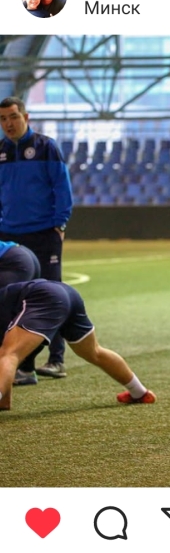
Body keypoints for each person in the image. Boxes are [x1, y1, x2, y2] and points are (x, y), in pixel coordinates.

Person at [0, 278, 156, 412]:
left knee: (9, 354)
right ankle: (139, 392)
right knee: (95, 352)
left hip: (44, 296)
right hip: (68, 293)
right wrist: (4, 402)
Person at [0, 95, 73, 383]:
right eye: (3, 119)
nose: (8, 123)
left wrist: (60, 224)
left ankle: (56, 359)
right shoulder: (1, 151)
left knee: (53, 293)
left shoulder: (46, 147)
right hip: (9, 237)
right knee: (12, 299)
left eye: (13, 117)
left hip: (44, 234)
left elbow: (62, 187)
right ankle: (22, 365)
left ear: (26, 117)